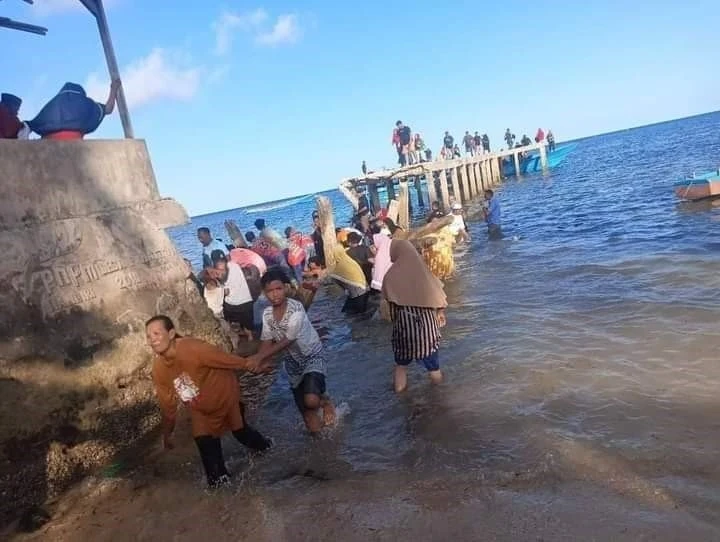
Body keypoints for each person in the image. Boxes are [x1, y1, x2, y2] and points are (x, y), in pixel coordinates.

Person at [146, 315, 272, 488]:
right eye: (149, 336)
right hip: (201, 408)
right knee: (211, 465)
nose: (152, 339)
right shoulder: (159, 368)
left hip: (226, 396)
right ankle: (224, 498)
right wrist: (167, 435)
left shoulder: (193, 348)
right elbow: (168, 408)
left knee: (242, 434)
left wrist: (252, 365)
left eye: (156, 333)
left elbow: (225, 359)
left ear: (171, 333)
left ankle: (269, 449)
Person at [249, 267, 336, 434]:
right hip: (292, 362)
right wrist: (260, 361)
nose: (275, 294)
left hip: (312, 354)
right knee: (310, 422)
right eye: (270, 291)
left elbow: (287, 340)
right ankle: (320, 452)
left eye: (278, 289)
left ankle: (325, 402)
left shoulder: (296, 309)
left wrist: (257, 358)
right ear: (264, 293)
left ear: (286, 288)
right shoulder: (267, 314)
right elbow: (266, 340)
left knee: (311, 400)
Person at [381, 240, 447, 393]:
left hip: (404, 327)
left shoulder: (390, 276)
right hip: (427, 328)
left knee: (401, 366)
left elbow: (387, 306)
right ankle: (441, 398)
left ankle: (401, 398)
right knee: (433, 368)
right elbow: (439, 298)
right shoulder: (423, 271)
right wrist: (440, 313)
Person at [27, 81, 119, 140]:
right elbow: (108, 109)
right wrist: (113, 89)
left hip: (48, 146)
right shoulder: (86, 104)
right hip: (75, 145)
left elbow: (31, 125)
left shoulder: (51, 106)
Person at [212, 250, 255, 334]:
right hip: (247, 301)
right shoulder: (235, 265)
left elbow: (226, 292)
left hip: (234, 305)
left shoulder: (221, 271)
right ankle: (249, 336)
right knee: (248, 329)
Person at [329, 245, 370, 314]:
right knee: (348, 312)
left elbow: (332, 277)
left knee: (356, 315)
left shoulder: (341, 265)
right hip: (364, 290)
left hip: (358, 294)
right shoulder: (348, 260)